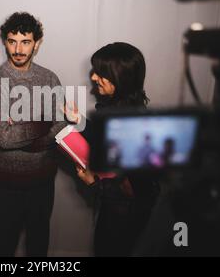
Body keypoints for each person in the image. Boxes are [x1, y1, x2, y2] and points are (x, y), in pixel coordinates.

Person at [0, 12, 66, 256]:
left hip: (42, 182)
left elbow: (61, 126)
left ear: (37, 43)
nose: (18, 49)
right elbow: (4, 139)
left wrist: (21, 126)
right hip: (7, 185)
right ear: (5, 43)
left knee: (38, 246)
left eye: (26, 41)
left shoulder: (50, 79)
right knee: (5, 246)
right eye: (12, 41)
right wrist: (43, 122)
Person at [65, 42, 159, 256]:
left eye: (101, 73)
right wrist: (78, 120)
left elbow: (136, 193)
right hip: (116, 215)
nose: (94, 77)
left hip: (123, 220)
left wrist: (95, 183)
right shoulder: (122, 109)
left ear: (121, 78)